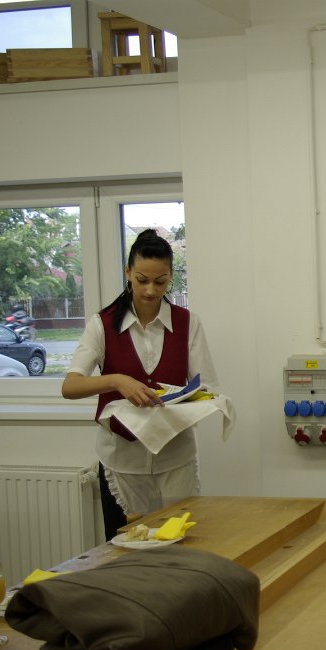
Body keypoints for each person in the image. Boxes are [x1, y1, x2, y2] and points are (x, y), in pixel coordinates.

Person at [62, 229, 219, 539]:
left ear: (170, 277)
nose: (150, 290)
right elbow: (70, 387)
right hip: (122, 461)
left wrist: (185, 399)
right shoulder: (102, 324)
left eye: (160, 282)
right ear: (128, 273)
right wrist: (116, 380)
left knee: (180, 544)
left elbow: (206, 388)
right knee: (126, 548)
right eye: (142, 280)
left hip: (175, 458)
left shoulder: (188, 323)